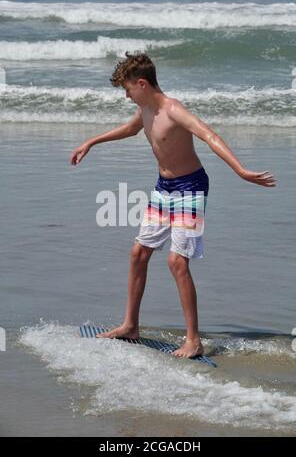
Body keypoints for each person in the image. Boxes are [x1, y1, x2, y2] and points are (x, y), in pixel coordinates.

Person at [70, 52, 276, 358]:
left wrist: (241, 170)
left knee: (177, 262)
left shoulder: (173, 109)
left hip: (191, 188)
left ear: (142, 83)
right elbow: (129, 129)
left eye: (128, 89)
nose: (126, 95)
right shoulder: (146, 111)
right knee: (138, 253)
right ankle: (130, 325)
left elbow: (209, 135)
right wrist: (91, 142)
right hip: (163, 188)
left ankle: (193, 339)